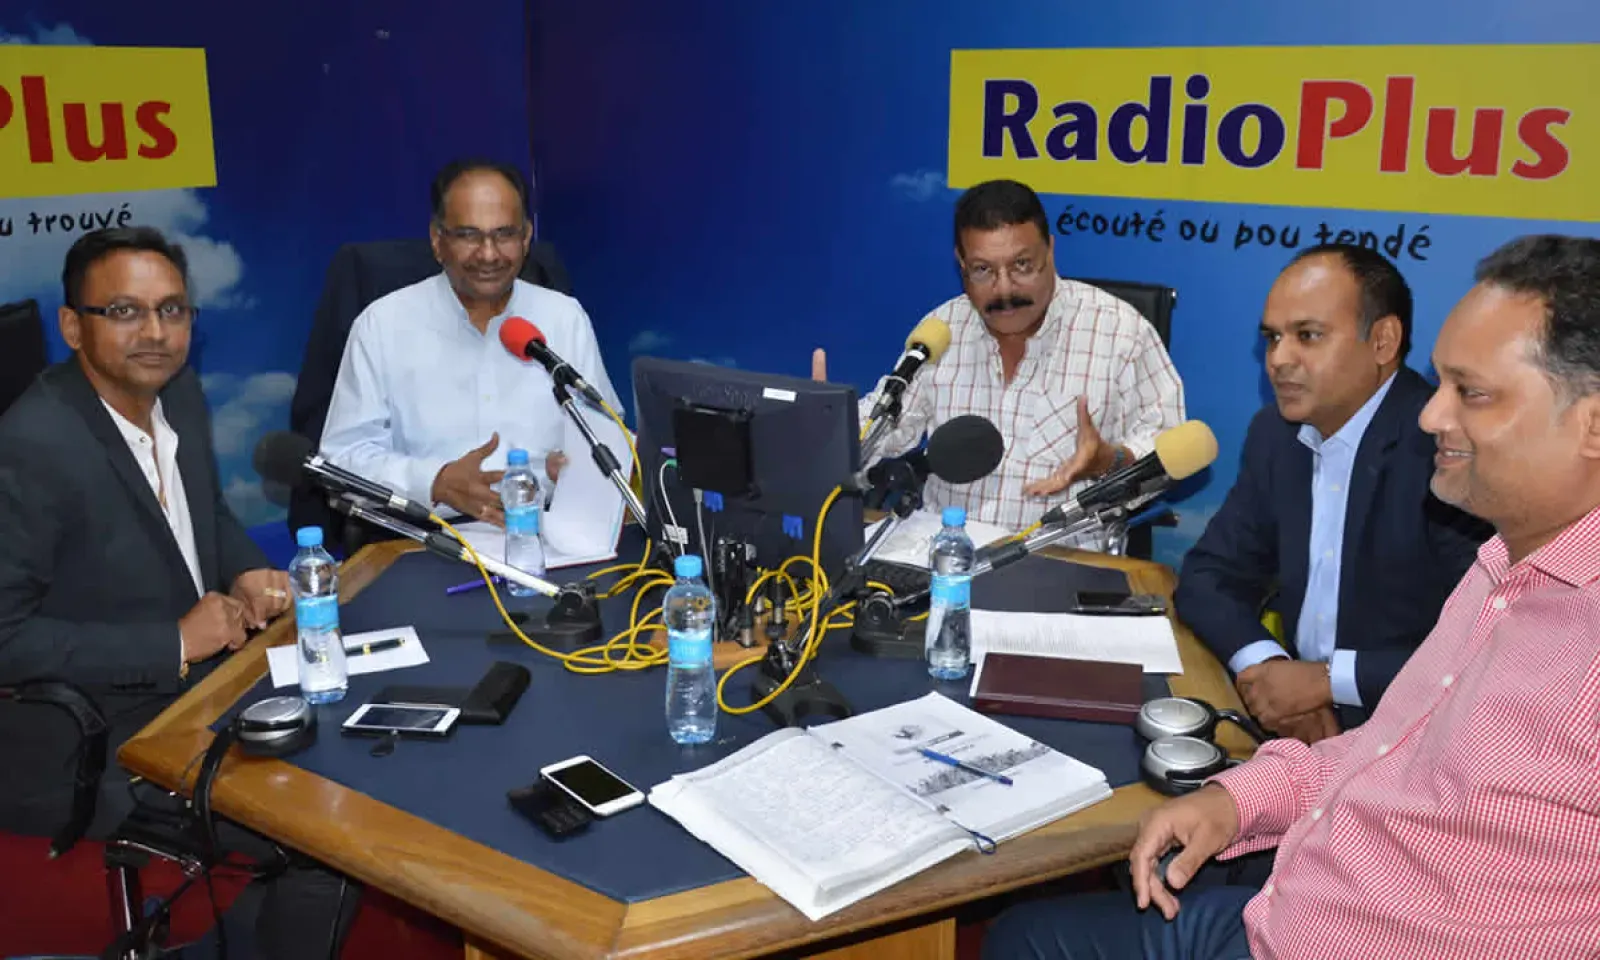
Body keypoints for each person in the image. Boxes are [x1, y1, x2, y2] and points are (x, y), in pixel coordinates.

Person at [981, 234, 1600, 960]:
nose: (1435, 417)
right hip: (1304, 889)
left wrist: (1322, 684)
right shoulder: (1502, 565)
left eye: (1474, 393)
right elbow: (1393, 745)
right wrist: (1241, 796)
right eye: (1273, 338)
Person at [0, 227, 357, 958]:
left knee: (362, 755)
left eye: (173, 310)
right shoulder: (30, 448)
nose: (156, 333)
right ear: (72, 326)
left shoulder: (177, 393)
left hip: (201, 692)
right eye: (125, 312)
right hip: (98, 737)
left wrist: (241, 574)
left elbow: (207, 514)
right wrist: (173, 643)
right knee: (334, 835)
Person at [1176, 244, 1489, 745]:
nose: (1278, 359)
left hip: (1419, 733)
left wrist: (1327, 683)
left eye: (1308, 336)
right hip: (1293, 722)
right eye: (1273, 338)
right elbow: (1209, 576)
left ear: (1383, 341)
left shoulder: (1445, 450)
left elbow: (1486, 647)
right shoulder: (1276, 435)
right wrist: (1272, 672)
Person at [812, 179, 1185, 532]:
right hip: (944, 557)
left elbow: (1172, 455)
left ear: (1051, 251)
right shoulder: (941, 330)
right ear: (961, 265)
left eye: (1022, 265)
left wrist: (1108, 460)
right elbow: (887, 427)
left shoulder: (1121, 332)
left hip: (1059, 558)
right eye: (983, 270)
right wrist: (828, 430)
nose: (1004, 289)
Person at [320, 158, 622, 525]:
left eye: (504, 234)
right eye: (468, 235)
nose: (489, 254)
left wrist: (579, 467)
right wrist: (435, 481)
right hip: (424, 539)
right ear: (437, 240)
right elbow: (341, 461)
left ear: (526, 238)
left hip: (547, 528)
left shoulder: (564, 317)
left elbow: (605, 431)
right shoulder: (381, 326)